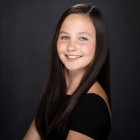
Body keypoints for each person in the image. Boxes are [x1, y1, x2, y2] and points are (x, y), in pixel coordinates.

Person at [23, 3, 112, 140]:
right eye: (65, 37)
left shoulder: (92, 107)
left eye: (82, 38)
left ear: (99, 45)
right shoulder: (55, 92)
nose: (71, 46)